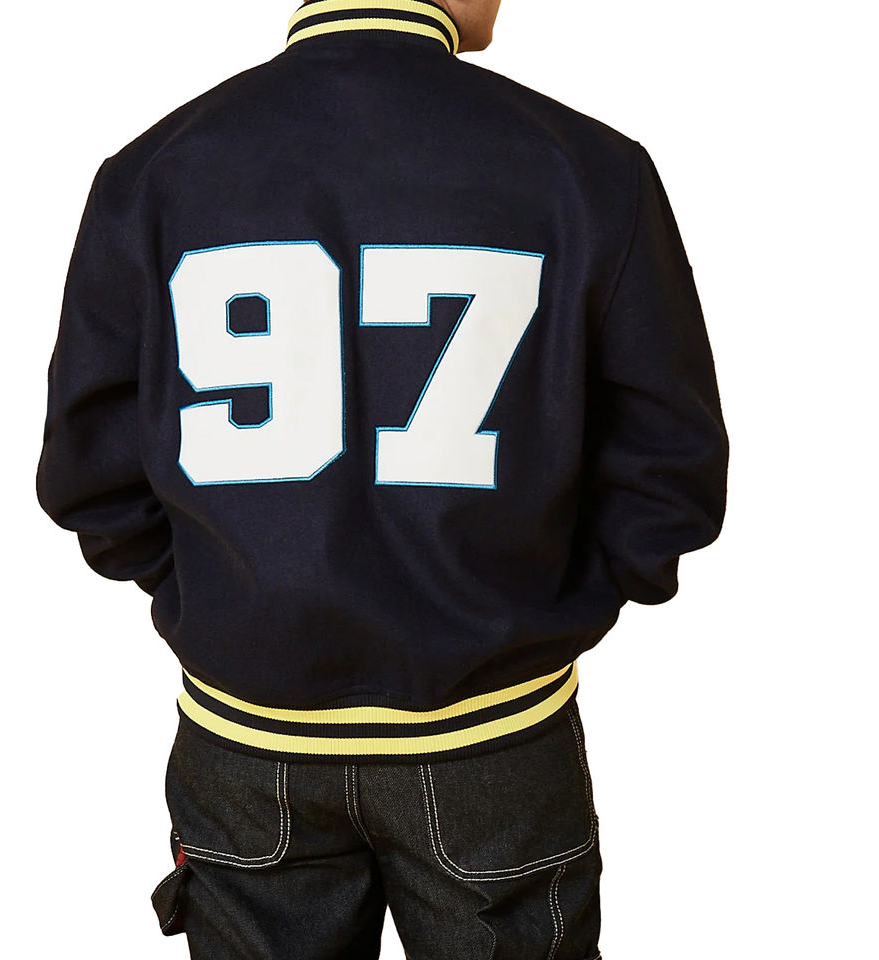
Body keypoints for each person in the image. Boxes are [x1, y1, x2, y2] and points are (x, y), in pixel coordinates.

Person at [35, 0, 729, 956]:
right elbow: (672, 467)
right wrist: (547, 611)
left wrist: (223, 600)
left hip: (246, 740)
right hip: (494, 734)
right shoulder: (589, 168)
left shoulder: (152, 173)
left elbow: (89, 476)